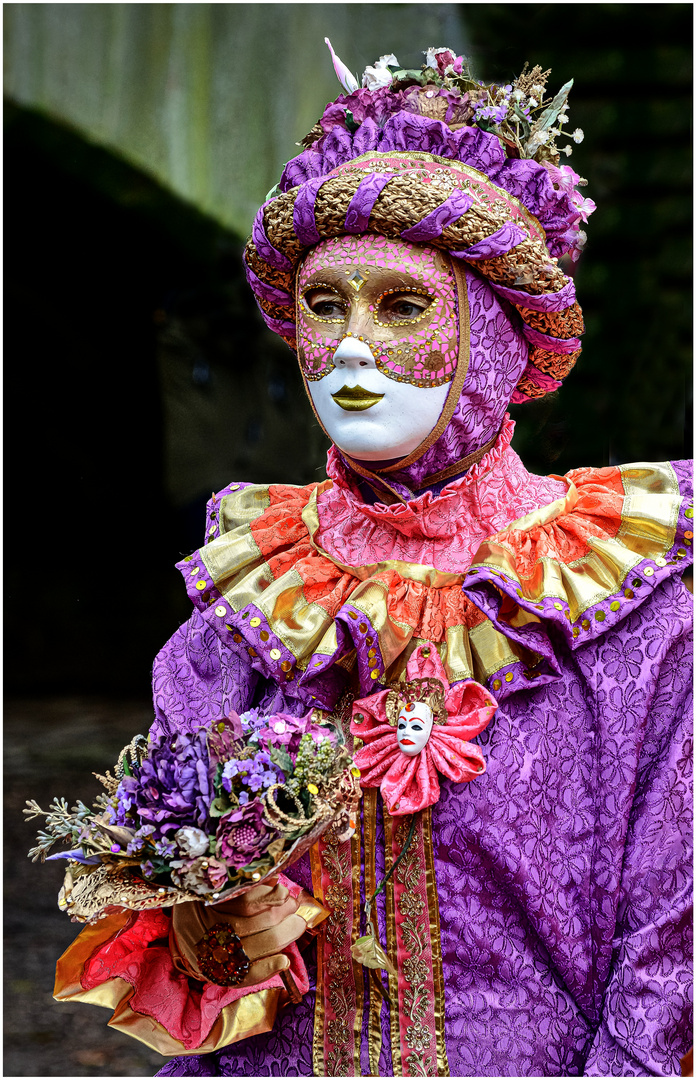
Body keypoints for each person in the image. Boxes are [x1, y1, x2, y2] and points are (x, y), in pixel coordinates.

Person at [54, 44, 692, 1077]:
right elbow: (183, 936)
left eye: (402, 305)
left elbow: (673, 965)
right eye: (323, 304)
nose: (351, 349)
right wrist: (209, 933)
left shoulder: (626, 612)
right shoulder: (247, 600)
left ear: (494, 330)